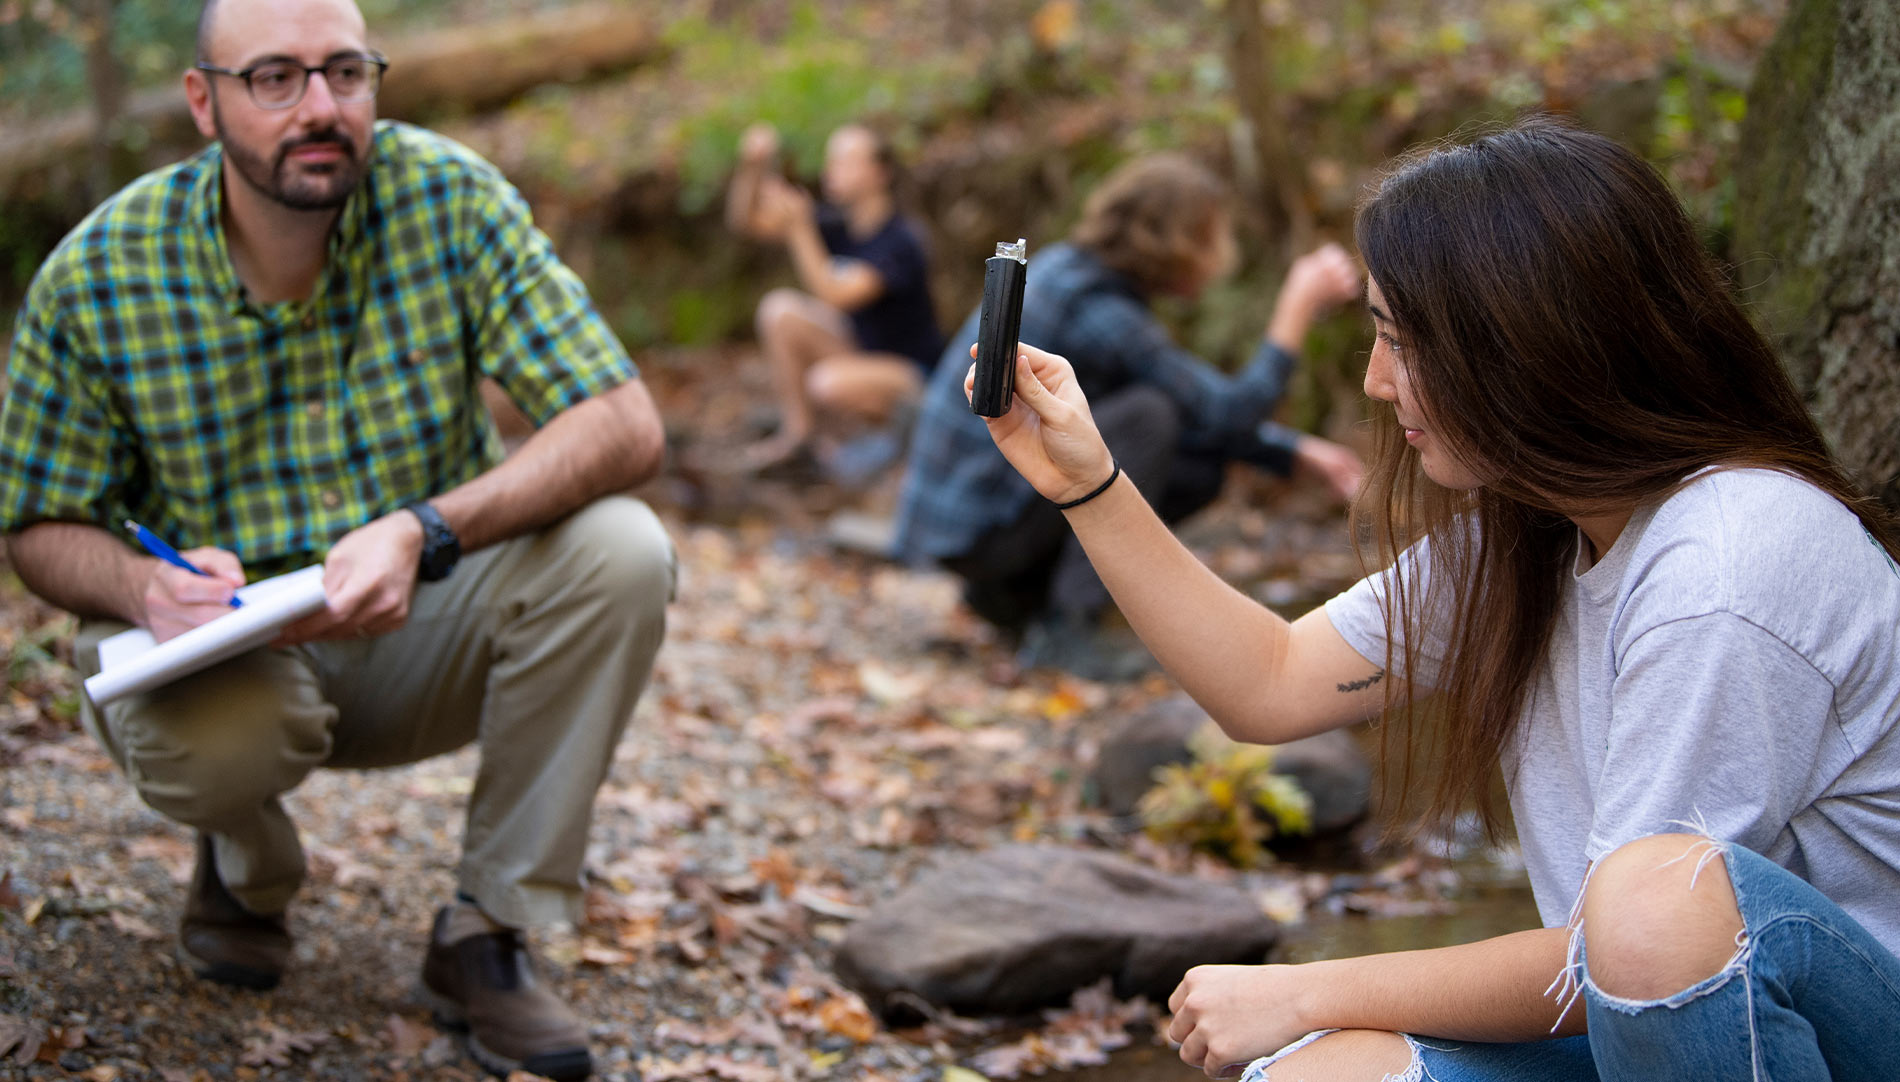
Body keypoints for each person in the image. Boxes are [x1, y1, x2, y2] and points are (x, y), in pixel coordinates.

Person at [969, 118, 1900, 1079]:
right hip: (1651, 1032)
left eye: (1399, 341)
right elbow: (1272, 682)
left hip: (1847, 1034)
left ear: (1529, 344)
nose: (1375, 382)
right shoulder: (1536, 529)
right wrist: (1089, 483)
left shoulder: (1726, 564)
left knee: (1652, 900)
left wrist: (1306, 989)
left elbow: (1622, 951)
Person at [0, 0, 675, 1078]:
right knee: (212, 744)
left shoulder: (447, 196)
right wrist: (139, 586)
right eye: (275, 77)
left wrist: (428, 525)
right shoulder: (97, 276)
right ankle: (243, 864)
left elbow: (622, 421)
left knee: (626, 548)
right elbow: (36, 522)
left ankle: (486, 931)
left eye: (346, 72)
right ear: (201, 101)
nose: (320, 107)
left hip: (417, 616)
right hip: (224, 654)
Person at [893, 153, 1364, 677]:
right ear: (1177, 240)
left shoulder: (1070, 273)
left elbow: (1207, 420)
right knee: (1148, 419)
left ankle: (1012, 601)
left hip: (968, 522)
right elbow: (1226, 412)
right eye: (1213, 238)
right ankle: (1069, 627)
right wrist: (1297, 307)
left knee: (1194, 461)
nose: (1220, 257)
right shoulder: (1097, 308)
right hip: (977, 531)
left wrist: (1290, 450)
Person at [725, 121, 942, 476]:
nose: (831, 170)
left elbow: (836, 295)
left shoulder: (901, 240)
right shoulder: (837, 225)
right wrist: (753, 167)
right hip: (860, 349)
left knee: (826, 382)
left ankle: (891, 446)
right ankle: (799, 438)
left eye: (845, 161)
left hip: (912, 374)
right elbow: (745, 222)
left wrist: (799, 228)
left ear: (880, 172)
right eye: (831, 160)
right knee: (779, 310)